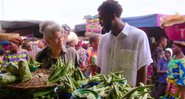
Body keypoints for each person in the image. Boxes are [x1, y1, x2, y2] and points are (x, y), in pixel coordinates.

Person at [96, 0, 153, 86]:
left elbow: (142, 68)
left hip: (126, 94)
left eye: (102, 18)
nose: (100, 22)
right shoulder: (103, 40)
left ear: (112, 16)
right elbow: (99, 67)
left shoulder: (138, 36)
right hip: (104, 93)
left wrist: (138, 94)